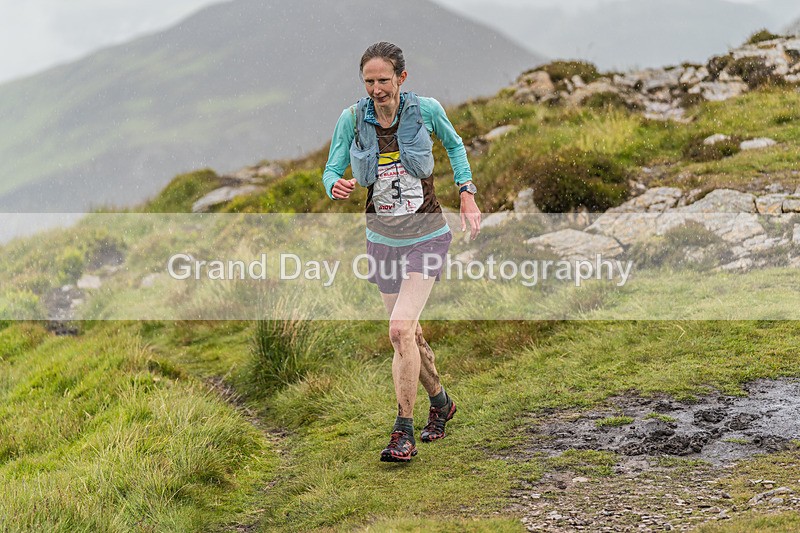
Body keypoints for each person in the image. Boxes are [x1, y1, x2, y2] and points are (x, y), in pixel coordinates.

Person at [322, 42, 481, 462]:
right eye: (369, 81)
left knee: (398, 329)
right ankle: (442, 402)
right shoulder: (352, 119)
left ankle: (402, 431)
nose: (377, 88)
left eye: (384, 80)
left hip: (427, 234)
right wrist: (333, 186)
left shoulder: (425, 110)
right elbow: (331, 169)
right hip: (382, 241)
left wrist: (466, 192)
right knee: (409, 334)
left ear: (401, 79)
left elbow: (456, 145)